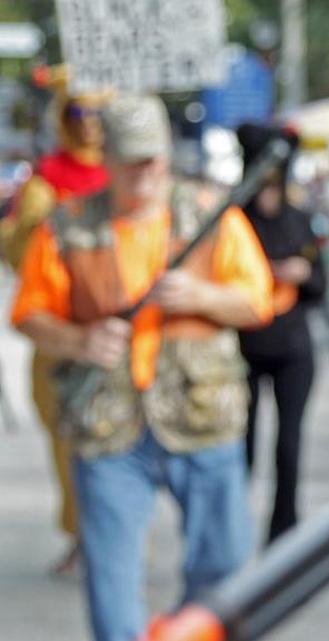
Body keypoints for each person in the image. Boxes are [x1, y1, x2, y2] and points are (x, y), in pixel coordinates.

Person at [10, 95, 273, 641]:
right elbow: (29, 313)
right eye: (130, 160)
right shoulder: (67, 225)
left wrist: (202, 295)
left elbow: (257, 302)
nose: (144, 172)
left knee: (224, 558)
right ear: (105, 158)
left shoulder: (212, 213)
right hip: (107, 424)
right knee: (110, 574)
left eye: (152, 158)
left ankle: (184, 631)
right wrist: (79, 339)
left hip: (202, 415)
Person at [0, 73, 109, 575]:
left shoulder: (125, 177)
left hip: (115, 332)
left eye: (97, 114)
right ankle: (82, 533)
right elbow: (17, 257)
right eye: (78, 114)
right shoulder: (43, 184)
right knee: (65, 441)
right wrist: (30, 222)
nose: (88, 126)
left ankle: (111, 533)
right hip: (57, 333)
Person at [235, 123, 326, 543]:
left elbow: (319, 286)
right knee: (242, 447)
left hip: (292, 348)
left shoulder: (300, 218)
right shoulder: (235, 219)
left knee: (288, 447)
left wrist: (302, 273)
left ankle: (283, 533)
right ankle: (232, 528)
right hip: (244, 347)